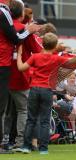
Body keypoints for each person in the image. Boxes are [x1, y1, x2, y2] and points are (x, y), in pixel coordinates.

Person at [16, 32, 76, 154]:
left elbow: (21, 68)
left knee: (31, 119)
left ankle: (26, 146)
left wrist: (19, 55)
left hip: (34, 89)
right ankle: (44, 148)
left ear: (42, 43)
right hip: (47, 91)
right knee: (45, 120)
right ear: (55, 45)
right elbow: (74, 62)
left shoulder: (35, 57)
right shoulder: (57, 59)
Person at [0, 0, 40, 154]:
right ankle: (21, 141)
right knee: (23, 110)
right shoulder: (24, 29)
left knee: (6, 111)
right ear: (22, 13)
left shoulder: (6, 23)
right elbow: (38, 51)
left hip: (6, 73)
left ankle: (5, 141)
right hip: (19, 76)